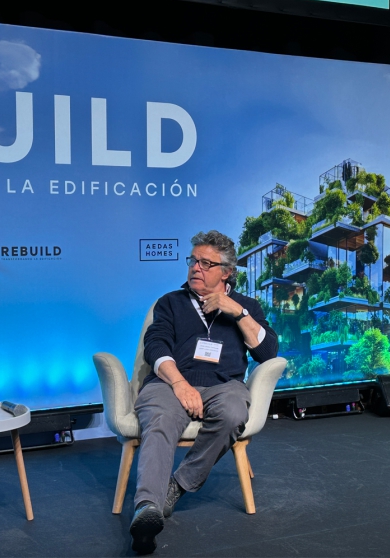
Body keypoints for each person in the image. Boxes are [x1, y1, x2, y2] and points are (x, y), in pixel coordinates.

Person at [128, 230, 279, 554]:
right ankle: (147, 509)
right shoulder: (170, 302)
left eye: (206, 263)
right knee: (159, 419)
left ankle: (178, 486)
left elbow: (268, 353)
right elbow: (155, 346)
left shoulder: (247, 306)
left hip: (224, 385)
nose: (196, 268)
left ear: (226, 272)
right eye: (193, 261)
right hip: (170, 383)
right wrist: (180, 384)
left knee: (234, 413)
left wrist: (236, 311)